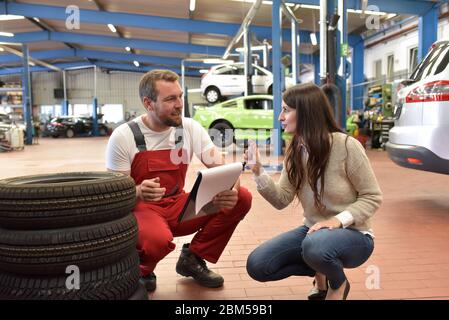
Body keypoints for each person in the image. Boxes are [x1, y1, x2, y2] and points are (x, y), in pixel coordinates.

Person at [106, 70, 252, 293]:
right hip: (142, 210)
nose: (179, 104)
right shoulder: (124, 136)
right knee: (158, 241)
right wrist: (137, 191)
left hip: (177, 206)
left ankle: (193, 258)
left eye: (180, 96)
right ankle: (142, 268)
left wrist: (232, 186)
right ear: (148, 103)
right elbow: (112, 193)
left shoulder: (190, 128)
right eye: (170, 99)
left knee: (242, 198)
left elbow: (223, 168)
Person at [244, 83, 382, 300]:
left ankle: (338, 284)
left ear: (306, 112)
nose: (280, 116)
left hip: (355, 235)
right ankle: (321, 269)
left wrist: (337, 221)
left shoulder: (346, 146)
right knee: (258, 265)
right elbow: (281, 199)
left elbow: (372, 197)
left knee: (315, 246)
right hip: (313, 233)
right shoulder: (296, 152)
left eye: (286, 110)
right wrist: (258, 171)